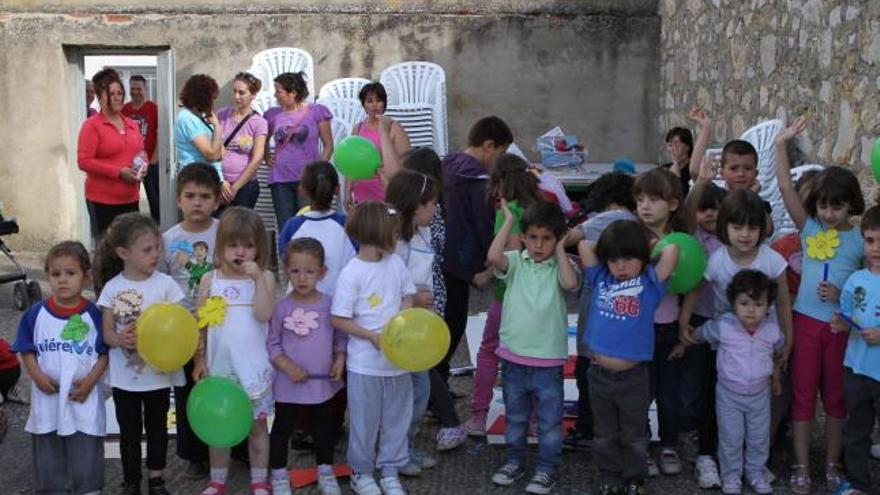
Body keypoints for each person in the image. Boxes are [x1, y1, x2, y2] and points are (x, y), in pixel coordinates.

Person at [774, 117, 866, 494]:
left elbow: (867, 286)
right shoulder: (809, 227)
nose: (829, 214)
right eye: (824, 206)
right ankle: (799, 464)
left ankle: (831, 463)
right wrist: (781, 144)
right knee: (801, 394)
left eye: (838, 207)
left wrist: (842, 295)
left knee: (835, 398)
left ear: (851, 206)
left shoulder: (862, 239)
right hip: (806, 323)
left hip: (840, 327)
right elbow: (783, 186)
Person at [578, 220, 679, 495]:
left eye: (628, 258)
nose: (620, 266)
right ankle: (609, 475)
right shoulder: (601, 278)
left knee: (634, 436)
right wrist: (612, 245)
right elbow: (584, 245)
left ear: (643, 256)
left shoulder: (649, 283)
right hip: (598, 375)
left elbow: (673, 252)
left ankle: (635, 477)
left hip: (634, 378)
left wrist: (649, 247)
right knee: (604, 434)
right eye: (614, 259)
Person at [487, 200, 578, 495]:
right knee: (515, 418)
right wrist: (510, 222)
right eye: (533, 237)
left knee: (550, 423)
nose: (539, 245)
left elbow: (569, 283)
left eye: (547, 238)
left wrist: (562, 249)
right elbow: (493, 256)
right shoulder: (515, 261)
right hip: (513, 359)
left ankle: (546, 468)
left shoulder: (561, 266)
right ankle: (515, 461)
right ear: (524, 238)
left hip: (548, 362)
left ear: (558, 238)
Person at [95, 213, 186, 495]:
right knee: (130, 432)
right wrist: (119, 338)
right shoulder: (113, 288)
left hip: (158, 376)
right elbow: (107, 332)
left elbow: (180, 325)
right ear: (124, 253)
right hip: (126, 379)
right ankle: (131, 481)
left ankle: (156, 478)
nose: (155, 255)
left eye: (157, 247)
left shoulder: (166, 285)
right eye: (147, 250)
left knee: (158, 428)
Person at [330, 202, 417, 495]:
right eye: (394, 233)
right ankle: (361, 472)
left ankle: (390, 469)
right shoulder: (351, 273)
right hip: (365, 364)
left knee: (397, 417)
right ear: (377, 232)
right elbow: (339, 318)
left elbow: (409, 296)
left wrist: (401, 323)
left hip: (398, 362)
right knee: (364, 421)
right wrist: (371, 336)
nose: (398, 238)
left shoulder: (396, 264)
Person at [12, 241, 108, 495]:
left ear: (86, 277)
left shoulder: (94, 316)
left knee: (86, 451)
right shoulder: (35, 315)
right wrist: (37, 376)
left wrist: (89, 384)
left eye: (70, 273)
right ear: (48, 276)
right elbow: (26, 349)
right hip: (48, 401)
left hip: (83, 400)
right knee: (48, 455)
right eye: (56, 274)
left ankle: (88, 489)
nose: (62, 280)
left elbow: (104, 354)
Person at [192, 207, 276, 495]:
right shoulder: (209, 280)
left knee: (257, 429)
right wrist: (199, 359)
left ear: (259, 248)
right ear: (221, 246)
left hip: (253, 368)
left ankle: (259, 481)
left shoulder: (265, 277)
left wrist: (258, 281)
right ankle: (217, 480)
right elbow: (200, 325)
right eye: (233, 244)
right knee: (220, 429)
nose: (241, 252)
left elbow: (265, 315)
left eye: (249, 245)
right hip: (220, 367)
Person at [676, 270, 783, 495]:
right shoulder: (724, 325)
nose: (751, 310)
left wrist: (776, 376)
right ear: (733, 304)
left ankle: (755, 472)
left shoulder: (772, 330)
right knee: (730, 437)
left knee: (758, 438)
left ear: (769, 306)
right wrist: (683, 344)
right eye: (744, 303)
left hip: (759, 394)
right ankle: (731, 475)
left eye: (758, 304)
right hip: (728, 394)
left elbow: (775, 355)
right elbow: (700, 334)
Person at [465, 154, 543, 437]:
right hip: (537, 295)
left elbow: (507, 256)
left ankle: (478, 415)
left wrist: (484, 275)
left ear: (499, 182)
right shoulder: (541, 206)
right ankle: (534, 418)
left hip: (508, 294)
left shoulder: (507, 210)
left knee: (489, 351)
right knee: (531, 355)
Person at [562, 171, 637, 453]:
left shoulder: (610, 217)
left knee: (587, 368)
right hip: (622, 304)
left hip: (597, 302)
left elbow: (573, 236)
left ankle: (588, 429)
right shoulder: (635, 220)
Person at [268, 238, 347, 495]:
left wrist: (339, 359)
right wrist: (287, 367)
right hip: (287, 384)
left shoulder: (330, 304)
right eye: (295, 271)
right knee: (282, 429)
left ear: (322, 272)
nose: (302, 278)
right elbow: (272, 344)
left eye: (309, 271)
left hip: (322, 383)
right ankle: (279, 474)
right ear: (286, 271)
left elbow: (340, 337)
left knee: (323, 429)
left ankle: (325, 470)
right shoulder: (281, 308)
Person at [159, 162, 222, 479]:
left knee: (222, 383)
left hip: (220, 326)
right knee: (187, 392)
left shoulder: (224, 232)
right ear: (178, 199)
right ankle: (194, 453)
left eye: (205, 196)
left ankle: (228, 444)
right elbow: (162, 282)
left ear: (217, 200)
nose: (197, 202)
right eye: (190, 195)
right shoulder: (168, 239)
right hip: (184, 328)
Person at [440, 116, 513, 386]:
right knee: (454, 323)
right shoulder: (477, 180)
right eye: (501, 153)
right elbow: (483, 226)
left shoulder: (446, 165)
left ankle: (438, 384)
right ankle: (438, 389)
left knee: (444, 320)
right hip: (462, 260)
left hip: (439, 256)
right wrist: (488, 264)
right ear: (489, 146)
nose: (498, 161)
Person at [632, 167, 687, 476]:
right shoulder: (633, 239)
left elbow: (692, 284)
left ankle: (669, 445)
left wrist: (684, 324)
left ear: (674, 204)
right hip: (639, 329)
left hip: (668, 328)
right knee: (641, 391)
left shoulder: (682, 242)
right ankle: (641, 446)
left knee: (668, 392)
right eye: (640, 199)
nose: (645, 205)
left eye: (654, 199)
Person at [386, 170, 440, 475]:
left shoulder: (422, 233)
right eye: (431, 203)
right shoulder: (396, 243)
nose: (435, 209)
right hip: (402, 330)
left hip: (421, 328)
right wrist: (414, 299)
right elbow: (385, 287)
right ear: (414, 205)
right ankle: (396, 451)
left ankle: (404, 444)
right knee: (408, 393)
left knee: (418, 391)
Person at [831, 206, 880, 495]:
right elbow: (845, 316)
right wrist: (840, 322)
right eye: (871, 240)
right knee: (856, 431)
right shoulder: (855, 280)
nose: (876, 248)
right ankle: (858, 484)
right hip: (857, 369)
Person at [682, 182, 727, 489]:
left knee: (718, 381)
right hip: (697, 317)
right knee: (694, 379)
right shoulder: (692, 238)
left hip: (727, 322)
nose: (709, 212)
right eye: (703, 207)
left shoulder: (731, 239)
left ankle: (718, 437)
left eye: (716, 207)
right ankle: (692, 432)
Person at [77, 68, 144, 237]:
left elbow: (141, 152)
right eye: (111, 93)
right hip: (102, 201)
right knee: (108, 253)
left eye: (120, 93)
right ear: (100, 97)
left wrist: (143, 167)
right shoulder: (92, 125)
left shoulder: (131, 124)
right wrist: (118, 172)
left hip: (131, 198)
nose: (117, 97)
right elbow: (84, 161)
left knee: (130, 248)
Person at [265, 72, 333, 228]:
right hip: (280, 180)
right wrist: (266, 155)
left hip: (308, 180)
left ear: (293, 93)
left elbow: (328, 145)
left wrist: (317, 170)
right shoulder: (272, 115)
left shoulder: (316, 111)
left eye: (279, 91)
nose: (275, 95)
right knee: (287, 227)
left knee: (309, 225)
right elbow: (263, 139)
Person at [277, 161, 355, 296]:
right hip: (338, 305)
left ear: (302, 189)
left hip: (299, 306)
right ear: (337, 189)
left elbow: (284, 259)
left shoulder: (292, 225)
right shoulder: (348, 225)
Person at [344, 82, 411, 206]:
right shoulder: (357, 128)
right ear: (363, 105)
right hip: (361, 193)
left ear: (384, 103)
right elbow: (351, 163)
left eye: (378, 100)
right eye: (369, 101)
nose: (374, 104)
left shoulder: (393, 127)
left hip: (386, 193)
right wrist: (347, 192)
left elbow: (406, 162)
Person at [217, 72, 268, 209]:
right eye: (234, 91)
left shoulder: (259, 122)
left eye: (241, 93)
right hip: (220, 184)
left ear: (253, 95)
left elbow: (257, 159)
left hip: (245, 187)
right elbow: (212, 148)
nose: (236, 97)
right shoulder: (222, 115)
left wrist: (235, 188)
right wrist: (222, 182)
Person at [174, 74, 229, 199]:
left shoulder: (199, 118)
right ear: (203, 97)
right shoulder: (187, 118)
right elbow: (212, 155)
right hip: (197, 180)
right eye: (212, 98)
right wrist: (217, 126)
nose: (213, 102)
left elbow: (221, 151)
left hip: (209, 178)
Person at [122, 74, 160, 223]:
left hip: (150, 162)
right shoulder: (124, 109)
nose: (135, 92)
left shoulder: (153, 108)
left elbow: (159, 134)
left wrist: (154, 159)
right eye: (132, 88)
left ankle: (158, 230)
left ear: (145, 89)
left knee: (155, 201)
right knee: (131, 201)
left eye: (139, 88)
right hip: (131, 164)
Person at [661, 106, 712, 197]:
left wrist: (705, 127)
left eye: (676, 143)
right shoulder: (664, 169)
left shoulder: (696, 168)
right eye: (669, 144)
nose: (672, 148)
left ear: (687, 146)